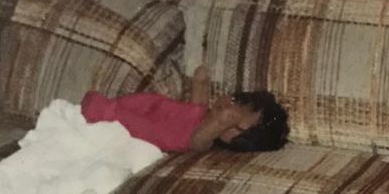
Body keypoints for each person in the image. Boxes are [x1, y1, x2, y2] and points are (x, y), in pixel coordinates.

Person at [80, 65, 289, 153]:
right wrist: (201, 82)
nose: (229, 109)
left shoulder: (200, 140)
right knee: (137, 107)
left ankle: (105, 114)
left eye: (236, 122)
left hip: (150, 132)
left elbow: (197, 140)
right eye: (236, 101)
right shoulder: (200, 114)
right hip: (151, 109)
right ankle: (109, 110)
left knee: (135, 125)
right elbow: (196, 105)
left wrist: (222, 121)